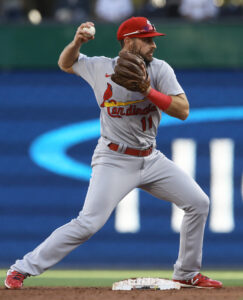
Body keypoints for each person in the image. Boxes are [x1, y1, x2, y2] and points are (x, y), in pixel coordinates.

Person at [5, 16, 222, 289]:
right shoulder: (100, 67)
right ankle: (21, 269)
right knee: (88, 223)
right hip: (114, 158)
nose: (153, 45)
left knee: (198, 203)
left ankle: (187, 272)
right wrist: (76, 42)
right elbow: (66, 63)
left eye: (153, 39)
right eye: (146, 40)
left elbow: (182, 110)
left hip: (151, 158)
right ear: (129, 41)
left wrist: (147, 90)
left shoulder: (160, 70)